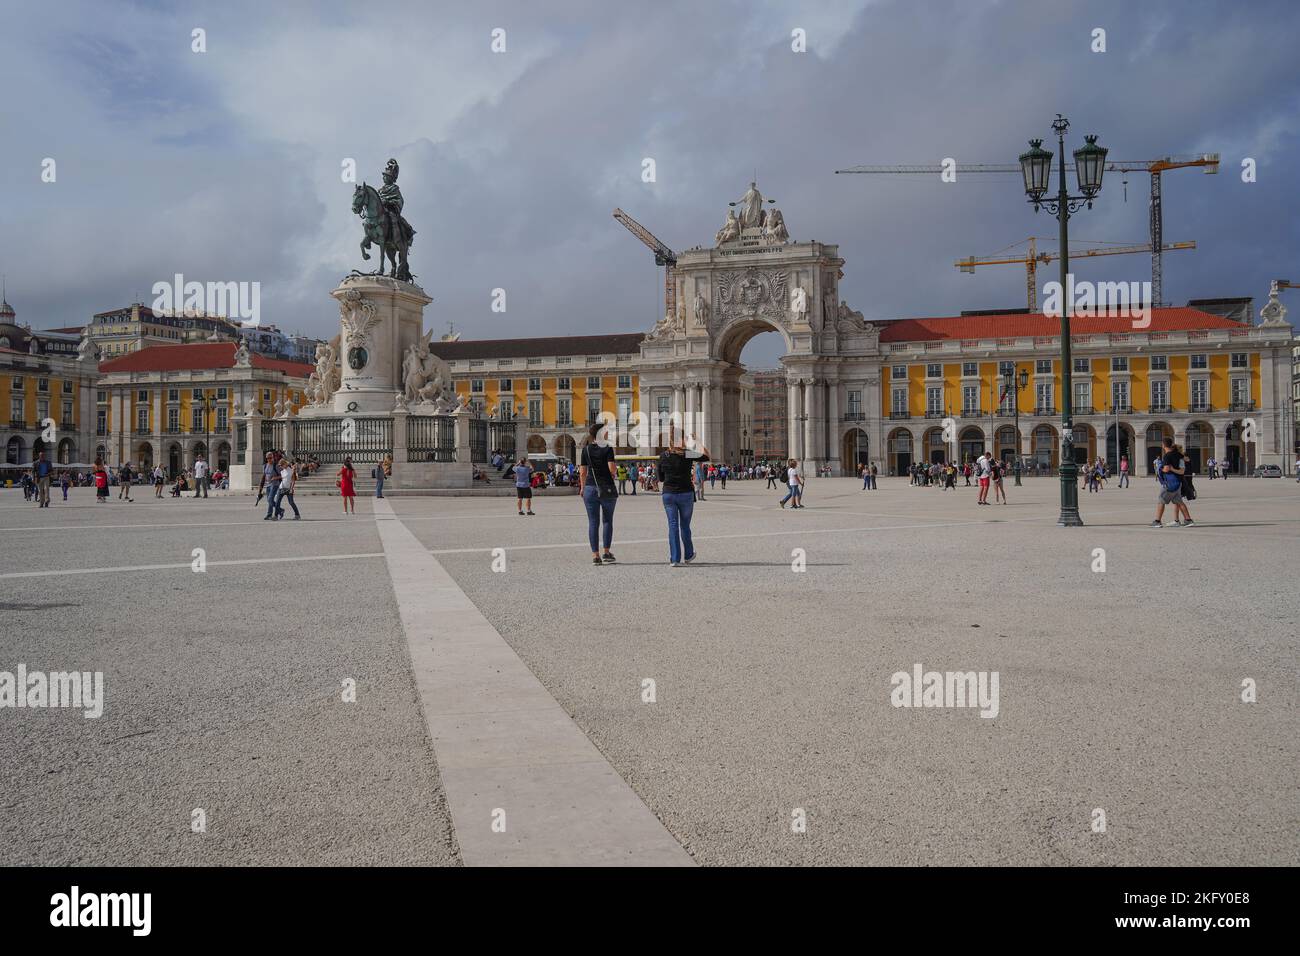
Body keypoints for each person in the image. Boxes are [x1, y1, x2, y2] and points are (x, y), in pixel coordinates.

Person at [659, 432, 709, 566]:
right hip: (685, 493)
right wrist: (697, 440)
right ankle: (688, 555)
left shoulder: (664, 455)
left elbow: (661, 478)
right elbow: (706, 456)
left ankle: (675, 559)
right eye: (684, 438)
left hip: (669, 494)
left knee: (672, 525)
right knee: (685, 525)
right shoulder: (687, 454)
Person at [578, 423, 618, 565]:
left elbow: (582, 472)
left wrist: (582, 488)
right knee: (607, 521)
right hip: (606, 487)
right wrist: (612, 472)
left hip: (589, 487)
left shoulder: (586, 450)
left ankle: (595, 555)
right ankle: (606, 552)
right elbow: (612, 469)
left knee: (593, 522)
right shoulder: (607, 448)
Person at [1151, 436, 1193, 528]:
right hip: (1178, 482)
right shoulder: (1177, 454)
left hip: (1169, 482)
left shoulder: (1167, 455)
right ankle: (1188, 520)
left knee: (1161, 500)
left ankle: (1157, 521)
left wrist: (1161, 469)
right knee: (1179, 501)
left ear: (1163, 445)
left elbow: (1166, 469)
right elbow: (1186, 459)